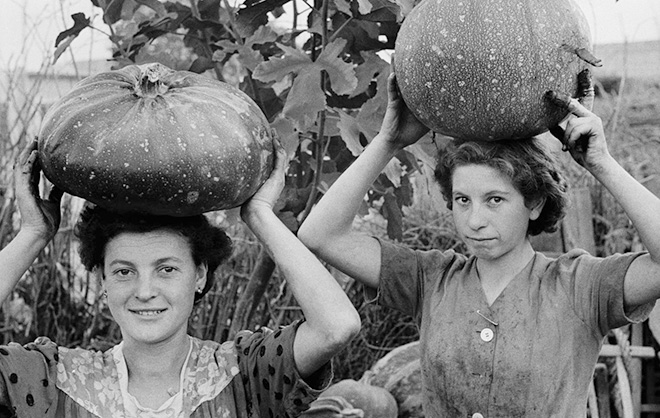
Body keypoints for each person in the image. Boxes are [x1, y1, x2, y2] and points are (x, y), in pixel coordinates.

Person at [297, 71, 660, 417]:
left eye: (495, 200)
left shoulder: (582, 286)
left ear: (533, 204)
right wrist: (388, 141)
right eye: (462, 200)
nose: (475, 220)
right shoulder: (430, 278)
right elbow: (321, 235)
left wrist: (602, 164)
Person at [0, 139, 360, 418]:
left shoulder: (245, 375)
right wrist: (32, 234)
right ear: (102, 281)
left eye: (166, 269)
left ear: (200, 275)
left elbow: (336, 326)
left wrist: (260, 215)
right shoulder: (53, 381)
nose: (144, 291)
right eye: (124, 272)